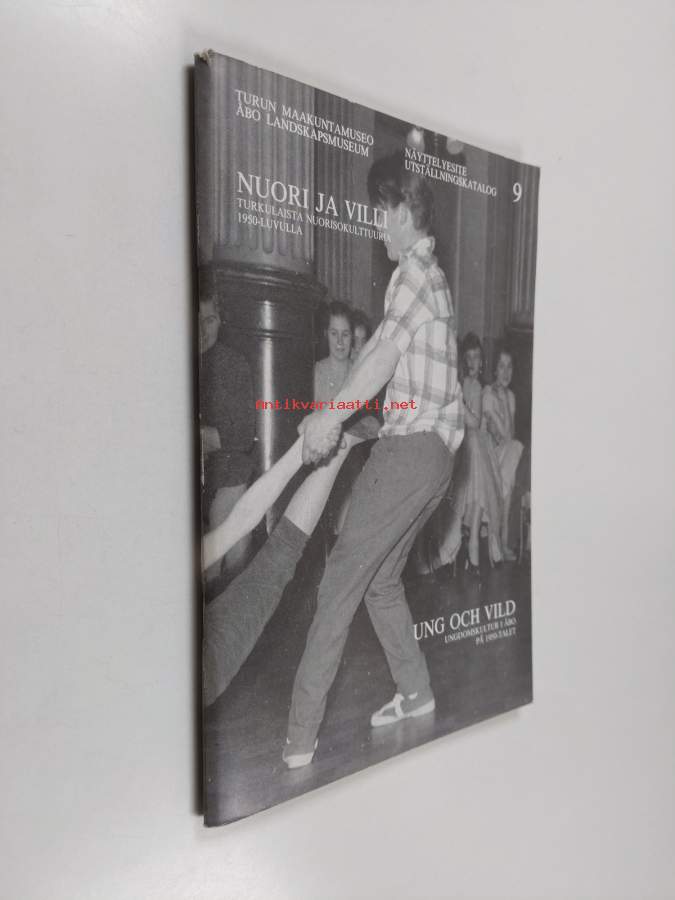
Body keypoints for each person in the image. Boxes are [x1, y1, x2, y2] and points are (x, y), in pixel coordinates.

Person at [282, 151, 464, 769]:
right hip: (436, 459)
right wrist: (335, 414)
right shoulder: (430, 275)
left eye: (380, 212)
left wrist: (329, 418)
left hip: (412, 450)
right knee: (380, 580)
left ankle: (297, 739)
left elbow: (383, 358)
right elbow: (381, 355)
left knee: (339, 579)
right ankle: (415, 692)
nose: (375, 225)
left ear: (403, 211)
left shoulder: (412, 272)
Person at [199, 298, 255, 582]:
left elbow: (241, 436)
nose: (201, 330)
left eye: (209, 320)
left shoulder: (233, 365)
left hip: (225, 473)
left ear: (221, 320)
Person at [482, 346, 523, 560]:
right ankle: (502, 538)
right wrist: (500, 401)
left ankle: (498, 536)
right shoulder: (488, 394)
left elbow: (510, 435)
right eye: (501, 366)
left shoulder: (511, 397)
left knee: (514, 451)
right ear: (495, 370)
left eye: (510, 367)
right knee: (514, 452)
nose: (506, 372)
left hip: (505, 455)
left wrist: (506, 402)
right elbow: (500, 435)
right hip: (487, 456)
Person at [313, 300, 354, 404]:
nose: (340, 341)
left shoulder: (359, 372)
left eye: (345, 334)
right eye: (334, 333)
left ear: (352, 336)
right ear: (326, 334)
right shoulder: (316, 374)